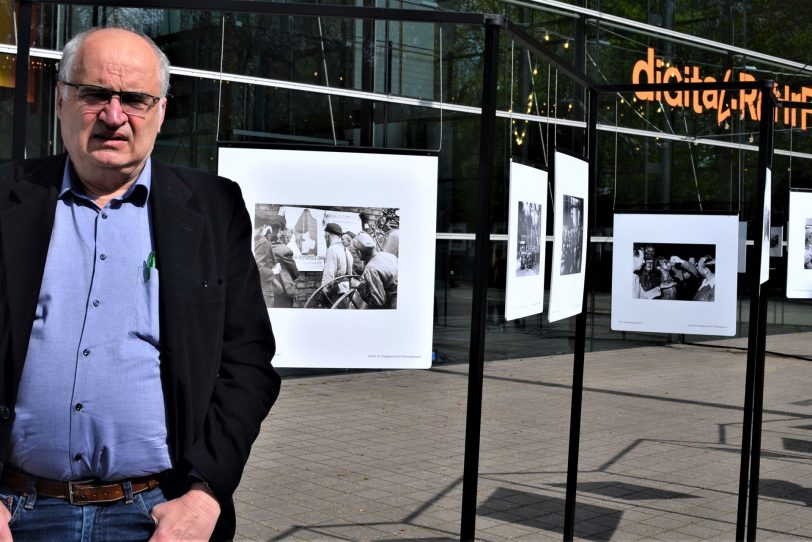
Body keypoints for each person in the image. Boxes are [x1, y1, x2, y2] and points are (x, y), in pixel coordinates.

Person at [0, 27, 280, 541]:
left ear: (161, 112)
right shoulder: (5, 199)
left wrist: (206, 495)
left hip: (158, 514)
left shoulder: (214, 209)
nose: (113, 115)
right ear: (61, 100)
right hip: (16, 513)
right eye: (94, 94)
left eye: (134, 99)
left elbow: (247, 364)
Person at [352, 232, 399, 309]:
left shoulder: (370, 269)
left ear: (359, 253)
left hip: (392, 306)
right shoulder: (388, 255)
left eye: (355, 252)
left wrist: (359, 286)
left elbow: (378, 302)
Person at [320, 222, 353, 300]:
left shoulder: (332, 250)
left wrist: (323, 294)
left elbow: (328, 277)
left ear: (327, 234)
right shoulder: (347, 251)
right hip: (346, 293)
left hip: (335, 294)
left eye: (325, 235)